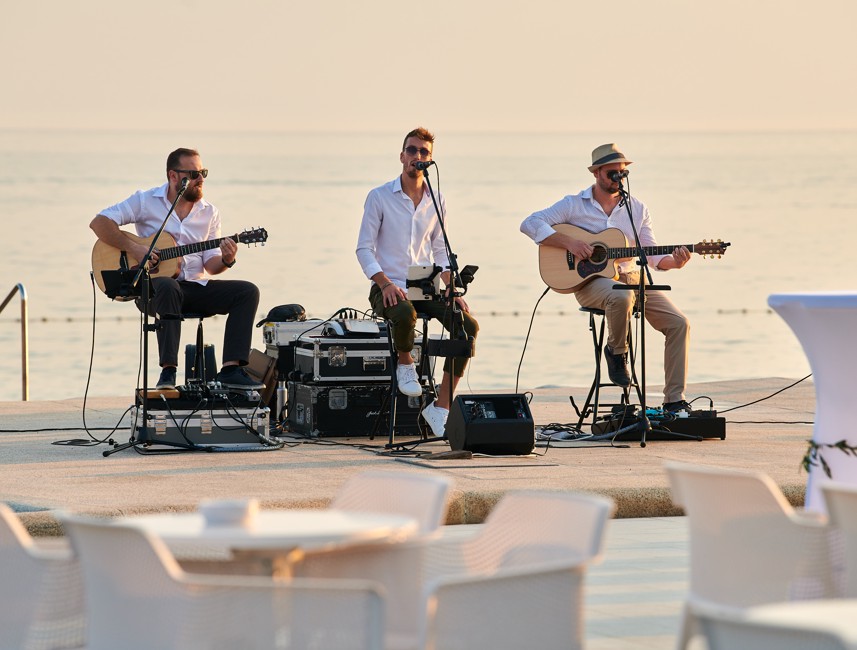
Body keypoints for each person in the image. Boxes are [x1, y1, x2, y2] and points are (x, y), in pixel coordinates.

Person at [520, 143, 693, 413]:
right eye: (612, 173)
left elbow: (652, 255)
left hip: (632, 277)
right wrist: (571, 244)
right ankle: (616, 352)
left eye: (622, 173)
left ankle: (674, 400)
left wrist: (676, 262)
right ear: (597, 173)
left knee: (679, 323)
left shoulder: (636, 208)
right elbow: (530, 223)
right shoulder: (573, 205)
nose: (618, 178)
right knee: (621, 295)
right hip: (590, 282)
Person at [90, 147, 263, 391]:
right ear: (173, 176)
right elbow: (99, 223)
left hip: (194, 289)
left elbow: (210, 266)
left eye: (203, 172)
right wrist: (136, 249)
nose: (200, 179)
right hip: (152, 290)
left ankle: (231, 369)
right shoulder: (145, 201)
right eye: (193, 174)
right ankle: (168, 372)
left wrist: (226, 259)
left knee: (247, 292)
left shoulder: (210, 213)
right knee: (168, 286)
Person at [356, 127, 479, 436]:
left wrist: (451, 289)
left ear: (430, 159)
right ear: (402, 156)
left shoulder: (436, 200)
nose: (418, 157)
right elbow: (364, 249)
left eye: (424, 152)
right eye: (412, 151)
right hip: (387, 286)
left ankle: (441, 406)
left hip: (425, 286)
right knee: (404, 313)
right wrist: (384, 283)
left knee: (468, 326)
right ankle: (405, 364)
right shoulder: (379, 196)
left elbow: (439, 249)